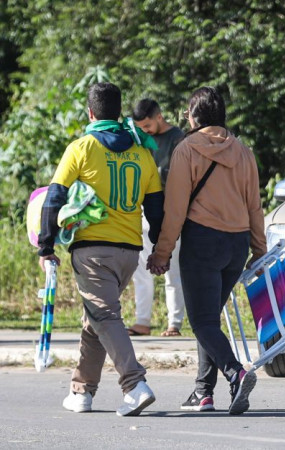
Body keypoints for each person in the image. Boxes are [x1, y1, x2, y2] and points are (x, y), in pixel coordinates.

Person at [37, 82, 162, 416]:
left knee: (104, 315)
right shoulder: (142, 153)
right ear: (118, 112)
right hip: (129, 252)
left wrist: (45, 246)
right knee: (96, 318)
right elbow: (156, 210)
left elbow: (54, 198)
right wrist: (160, 249)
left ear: (90, 112)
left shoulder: (81, 147)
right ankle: (82, 390)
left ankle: (134, 384)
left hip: (92, 251)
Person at [147, 87, 266, 415]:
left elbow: (175, 209)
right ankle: (202, 393)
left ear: (192, 115)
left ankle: (235, 372)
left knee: (201, 321)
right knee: (209, 317)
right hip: (237, 243)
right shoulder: (243, 151)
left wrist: (162, 252)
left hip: (203, 242)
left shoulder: (186, 150)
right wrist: (259, 248)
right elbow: (254, 206)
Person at [127, 99, 186, 337]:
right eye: (140, 127)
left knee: (172, 271)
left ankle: (174, 324)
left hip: (169, 213)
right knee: (140, 270)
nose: (145, 130)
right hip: (142, 211)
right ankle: (142, 321)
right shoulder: (139, 139)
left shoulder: (178, 139)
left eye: (147, 125)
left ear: (159, 117)